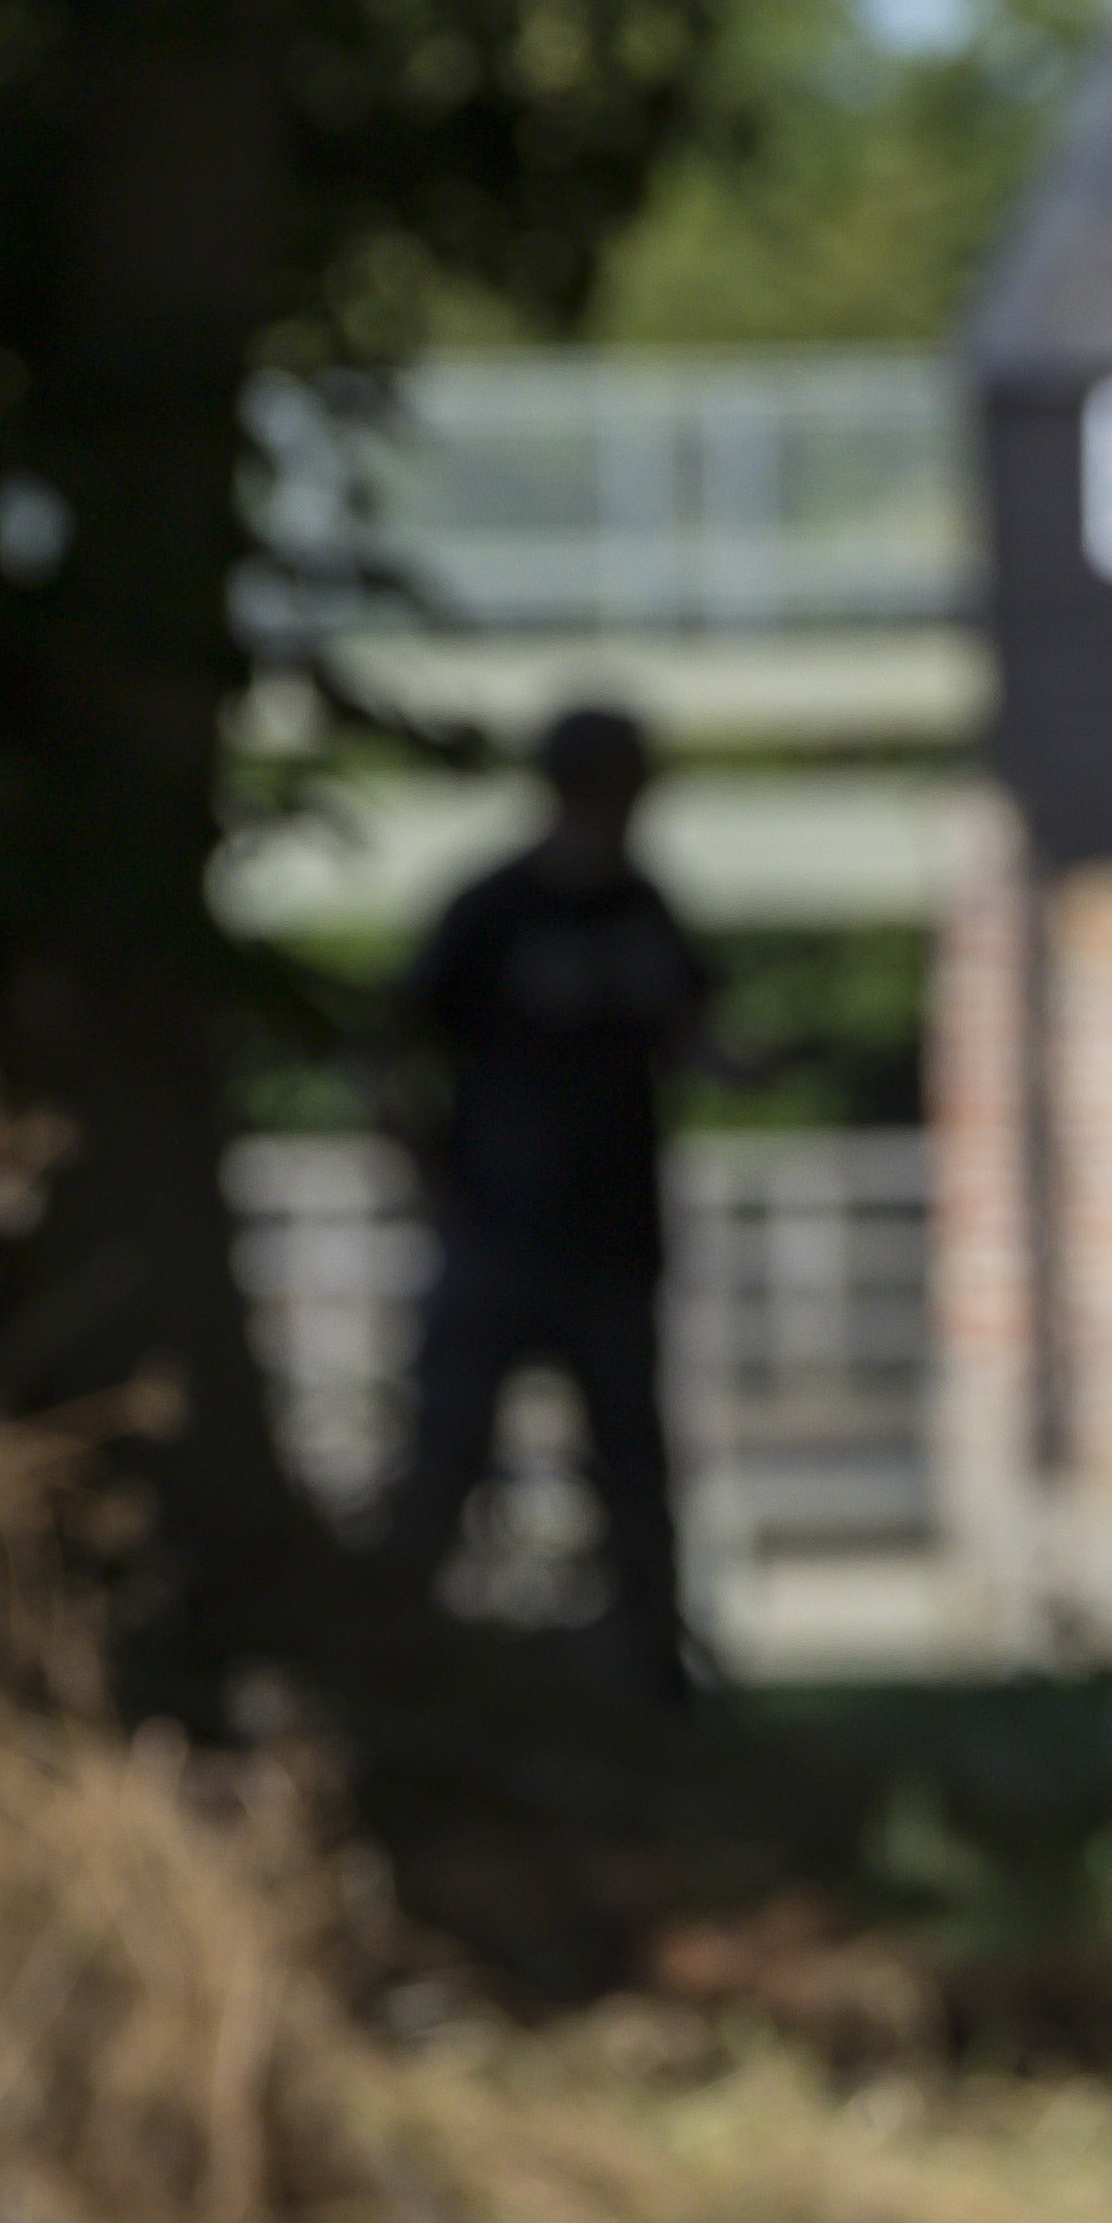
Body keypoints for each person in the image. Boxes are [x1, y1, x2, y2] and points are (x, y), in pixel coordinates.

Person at [385, 703, 718, 1703]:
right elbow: (396, 1051)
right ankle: (393, 1665)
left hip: (613, 1247)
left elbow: (696, 1038)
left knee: (633, 1478)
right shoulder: (491, 912)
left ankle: (656, 1684)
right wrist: (432, 1185)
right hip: (497, 1241)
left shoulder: (646, 910)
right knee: (443, 1466)